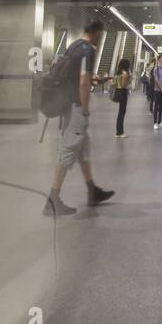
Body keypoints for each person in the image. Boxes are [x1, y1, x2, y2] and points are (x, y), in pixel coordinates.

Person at [45, 19, 115, 216]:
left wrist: (96, 79)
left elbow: (77, 77)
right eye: (101, 35)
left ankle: (92, 191)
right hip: (77, 107)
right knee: (69, 148)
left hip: (68, 104)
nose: (100, 39)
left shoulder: (73, 47)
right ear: (96, 32)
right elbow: (83, 82)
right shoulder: (88, 50)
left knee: (83, 149)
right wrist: (85, 108)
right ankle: (52, 200)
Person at [113, 57, 131, 139]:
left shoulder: (118, 73)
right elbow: (124, 85)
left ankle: (118, 131)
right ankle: (120, 132)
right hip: (123, 93)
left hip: (118, 91)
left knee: (120, 112)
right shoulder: (125, 73)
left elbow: (115, 83)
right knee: (122, 112)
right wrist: (128, 80)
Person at [152, 55, 162, 129]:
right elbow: (156, 79)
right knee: (156, 106)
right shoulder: (156, 69)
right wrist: (160, 87)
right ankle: (155, 122)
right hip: (157, 90)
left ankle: (160, 122)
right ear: (158, 60)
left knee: (161, 106)